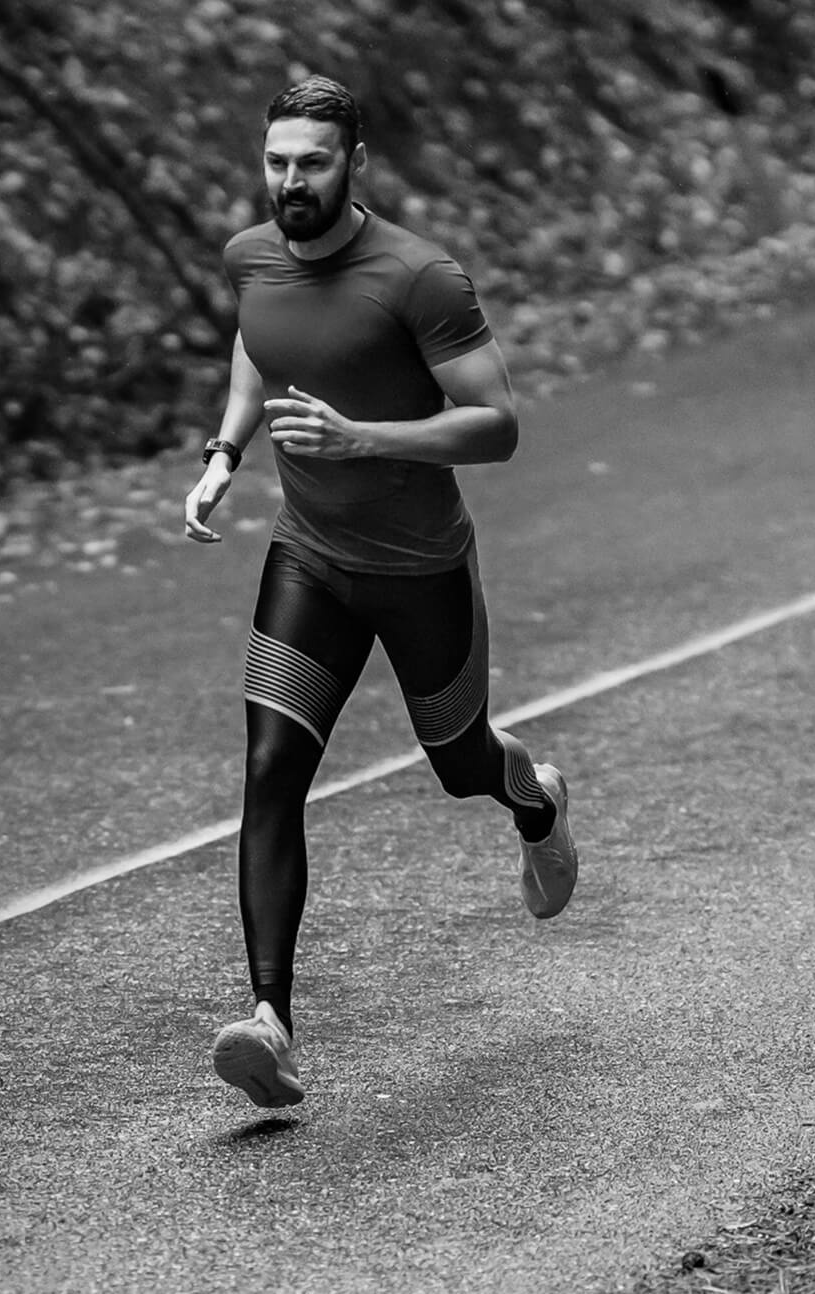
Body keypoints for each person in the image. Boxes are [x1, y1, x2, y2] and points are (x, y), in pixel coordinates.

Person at [178, 75, 580, 1109]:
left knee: (460, 764)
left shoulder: (418, 277)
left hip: (418, 570)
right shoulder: (249, 258)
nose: (290, 180)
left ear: (354, 161)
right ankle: (270, 1021)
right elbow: (255, 346)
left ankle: (536, 802)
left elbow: (495, 423)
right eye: (275, 161)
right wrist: (227, 451)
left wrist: (364, 438)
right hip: (309, 558)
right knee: (271, 768)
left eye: (311, 161)